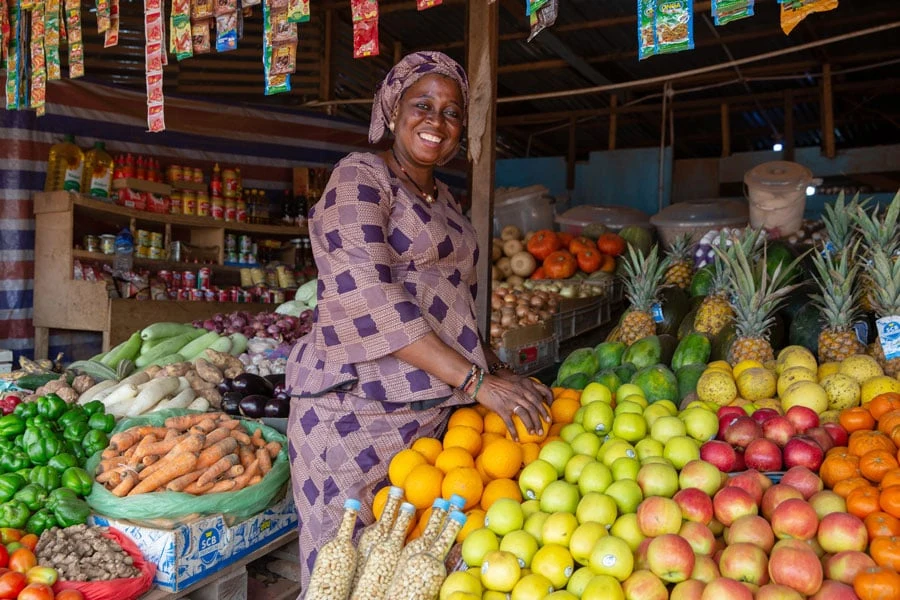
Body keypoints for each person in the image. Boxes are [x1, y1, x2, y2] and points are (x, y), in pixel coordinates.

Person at [285, 51, 552, 587]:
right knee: (342, 570)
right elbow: (365, 294)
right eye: (422, 105)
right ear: (392, 108)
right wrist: (476, 380)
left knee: (405, 575)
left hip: (428, 415)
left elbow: (453, 305)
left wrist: (491, 368)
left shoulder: (447, 201)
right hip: (351, 411)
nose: (437, 121)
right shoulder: (360, 177)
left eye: (452, 113)